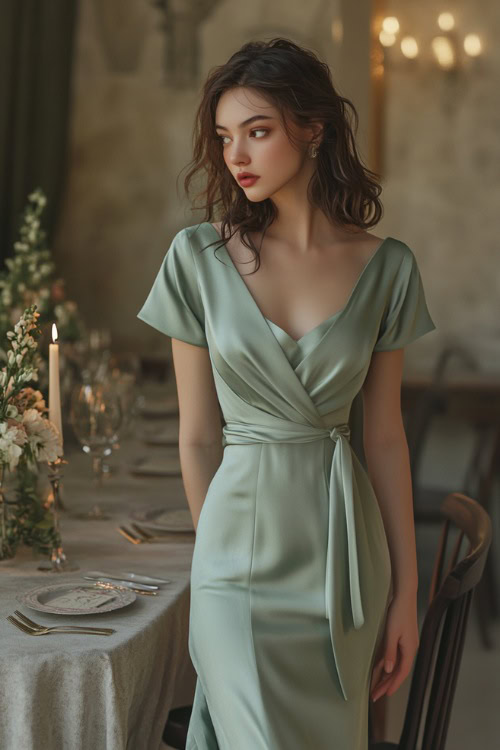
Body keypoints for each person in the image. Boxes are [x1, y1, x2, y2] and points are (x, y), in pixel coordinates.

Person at [137, 37, 436, 750]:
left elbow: (385, 438)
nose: (236, 155)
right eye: (224, 136)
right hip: (234, 565)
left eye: (258, 131)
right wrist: (216, 560)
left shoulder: (388, 268)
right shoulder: (196, 261)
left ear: (314, 127)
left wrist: (405, 594)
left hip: (343, 564)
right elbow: (200, 436)